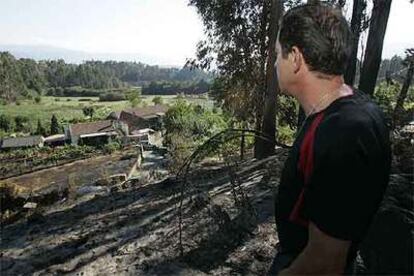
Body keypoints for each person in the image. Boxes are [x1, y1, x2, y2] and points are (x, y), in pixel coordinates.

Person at [270, 3, 391, 275]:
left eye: (278, 53)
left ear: (296, 58)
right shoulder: (356, 109)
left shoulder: (343, 135)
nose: (276, 62)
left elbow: (325, 263)